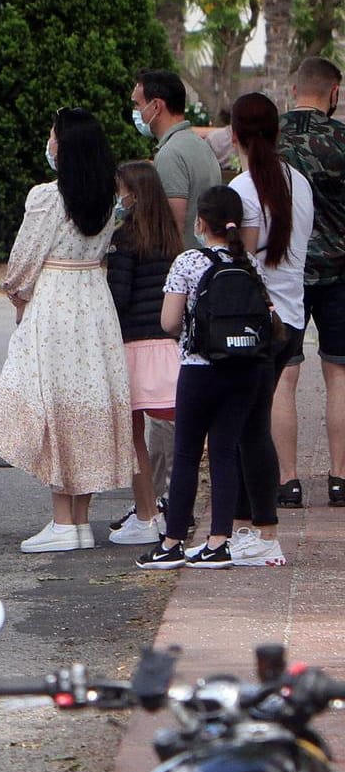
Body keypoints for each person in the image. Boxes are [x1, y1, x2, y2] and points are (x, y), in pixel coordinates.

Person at [0, 108, 134, 552]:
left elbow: (23, 260)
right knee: (87, 401)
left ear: (63, 146)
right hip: (94, 299)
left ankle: (62, 521)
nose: (49, 143)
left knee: (53, 404)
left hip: (54, 301)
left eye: (52, 136)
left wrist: (17, 296)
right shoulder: (107, 199)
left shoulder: (48, 196)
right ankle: (80, 520)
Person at [136, 186, 263, 570]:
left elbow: (169, 321)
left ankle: (172, 542)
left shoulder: (189, 261)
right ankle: (218, 542)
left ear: (200, 222)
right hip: (245, 368)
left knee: (188, 453)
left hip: (199, 368)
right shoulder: (249, 264)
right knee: (225, 452)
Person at [227, 93, 307, 567]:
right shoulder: (299, 182)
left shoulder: (243, 187)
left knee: (248, 429)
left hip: (255, 322)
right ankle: (244, 530)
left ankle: (261, 532)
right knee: (247, 426)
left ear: (235, 133)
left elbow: (242, 257)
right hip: (291, 318)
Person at [276, 57, 345, 508]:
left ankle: (288, 481)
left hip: (285, 272)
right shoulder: (342, 140)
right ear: (334, 91)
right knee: (338, 374)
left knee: (284, 376)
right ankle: (340, 479)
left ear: (294, 88)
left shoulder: (270, 139)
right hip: (340, 271)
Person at [105, 161, 184, 547]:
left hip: (133, 348)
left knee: (134, 437)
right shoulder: (171, 238)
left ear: (132, 194)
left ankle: (145, 513)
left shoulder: (124, 239)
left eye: (120, 190)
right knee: (181, 433)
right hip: (168, 348)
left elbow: (118, 299)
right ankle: (177, 513)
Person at [133, 70, 222, 241]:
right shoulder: (200, 145)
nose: (136, 112)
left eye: (137, 105)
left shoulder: (171, 153)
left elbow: (173, 226)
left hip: (182, 261)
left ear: (156, 106)